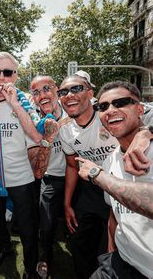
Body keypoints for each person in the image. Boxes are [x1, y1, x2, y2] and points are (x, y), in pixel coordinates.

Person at [58, 70, 153, 279]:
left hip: (101, 178)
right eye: (104, 106)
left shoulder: (139, 140)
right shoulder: (66, 131)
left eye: (76, 88)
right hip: (95, 191)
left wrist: (147, 132)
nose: (111, 110)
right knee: (82, 240)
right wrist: (67, 204)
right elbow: (72, 166)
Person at [0, 51, 42, 279]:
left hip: (22, 178)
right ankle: (5, 249)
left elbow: (37, 136)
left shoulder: (24, 100)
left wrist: (14, 103)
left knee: (28, 229)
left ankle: (30, 268)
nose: (2, 77)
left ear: (16, 76)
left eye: (7, 72)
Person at [28, 75, 68, 278]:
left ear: (57, 90)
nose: (42, 95)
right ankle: (46, 257)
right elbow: (37, 170)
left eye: (46, 89)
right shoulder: (31, 120)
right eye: (36, 92)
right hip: (50, 177)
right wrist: (48, 137)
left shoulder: (73, 107)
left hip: (76, 177)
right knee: (47, 224)